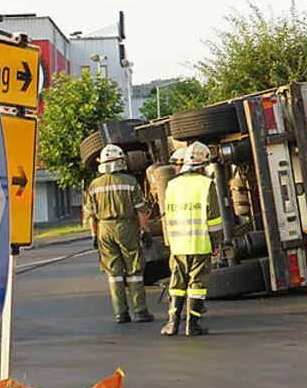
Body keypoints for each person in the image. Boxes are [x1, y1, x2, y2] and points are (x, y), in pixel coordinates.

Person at [84, 144, 153, 324]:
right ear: (120, 161)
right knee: (134, 269)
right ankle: (140, 311)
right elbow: (141, 211)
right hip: (127, 227)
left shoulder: (94, 185)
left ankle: (120, 313)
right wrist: (145, 231)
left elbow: (91, 215)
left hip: (104, 229)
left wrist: (94, 235)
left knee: (113, 273)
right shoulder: (129, 182)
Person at [161, 141, 223, 336]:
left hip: (178, 245)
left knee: (177, 283)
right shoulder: (206, 185)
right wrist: (215, 243)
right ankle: (192, 324)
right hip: (200, 243)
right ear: (203, 163)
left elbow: (168, 216)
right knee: (197, 284)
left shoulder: (171, 185)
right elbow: (214, 219)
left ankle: (172, 323)